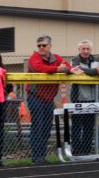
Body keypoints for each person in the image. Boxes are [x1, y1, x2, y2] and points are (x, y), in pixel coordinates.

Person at [27, 35, 77, 163]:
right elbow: (39, 68)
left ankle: (42, 156)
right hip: (35, 96)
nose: (41, 48)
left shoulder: (56, 57)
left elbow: (66, 66)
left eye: (44, 45)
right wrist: (57, 69)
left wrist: (70, 69)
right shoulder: (34, 57)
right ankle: (36, 156)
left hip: (49, 99)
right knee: (37, 127)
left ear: (50, 46)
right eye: (39, 46)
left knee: (47, 127)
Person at [70, 40, 99, 155]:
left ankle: (86, 151)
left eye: (88, 49)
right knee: (77, 126)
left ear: (91, 50)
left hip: (93, 98)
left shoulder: (96, 60)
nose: (86, 51)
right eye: (83, 49)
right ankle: (76, 151)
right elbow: (79, 70)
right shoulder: (75, 60)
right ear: (79, 50)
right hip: (78, 97)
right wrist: (95, 71)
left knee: (89, 126)